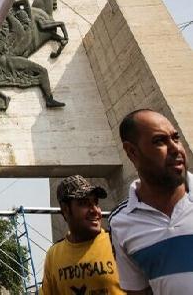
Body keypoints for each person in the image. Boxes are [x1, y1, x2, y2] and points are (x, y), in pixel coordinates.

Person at [109, 109, 193, 294]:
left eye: (176, 138)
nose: (176, 149)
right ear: (132, 152)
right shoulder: (121, 222)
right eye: (159, 141)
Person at [40, 175, 123, 294]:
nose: (95, 210)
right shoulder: (54, 255)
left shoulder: (117, 242)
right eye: (84, 203)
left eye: (96, 203)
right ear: (66, 210)